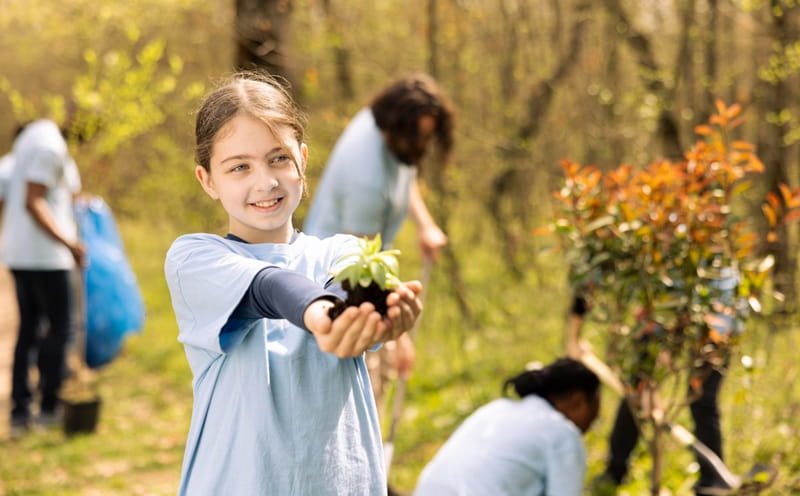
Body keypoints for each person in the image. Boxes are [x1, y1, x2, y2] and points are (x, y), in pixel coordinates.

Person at [164, 72, 424, 495]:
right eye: (239, 167)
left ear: (303, 159)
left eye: (279, 158)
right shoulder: (194, 258)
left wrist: (384, 314)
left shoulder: (341, 250)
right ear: (207, 179)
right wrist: (322, 316)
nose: (264, 181)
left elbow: (351, 284)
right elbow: (268, 287)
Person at [304, 72, 455, 410]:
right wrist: (398, 337)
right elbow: (364, 271)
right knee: (363, 388)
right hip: (336, 286)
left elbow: (406, 171)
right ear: (396, 130)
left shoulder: (386, 129)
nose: (424, 148)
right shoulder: (366, 178)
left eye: (428, 138)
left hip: (363, 267)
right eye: (419, 139)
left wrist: (426, 226)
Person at [574, 271, 740, 496]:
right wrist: (573, 336)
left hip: (713, 325)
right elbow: (592, 277)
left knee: (703, 400)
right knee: (636, 393)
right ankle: (614, 471)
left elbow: (723, 309)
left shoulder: (718, 262)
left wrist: (713, 341)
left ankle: (714, 480)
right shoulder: (653, 249)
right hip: (658, 320)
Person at [1, 117, 85, 433]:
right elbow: (33, 201)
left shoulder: (27, 143)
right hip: (47, 258)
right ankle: (49, 406)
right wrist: (71, 244)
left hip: (19, 254)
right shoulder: (50, 146)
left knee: (29, 329)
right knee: (60, 328)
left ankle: (20, 412)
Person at [413, 357, 601, 496]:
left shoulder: (498, 408)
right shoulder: (563, 433)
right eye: (594, 409)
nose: (594, 420)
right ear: (577, 401)